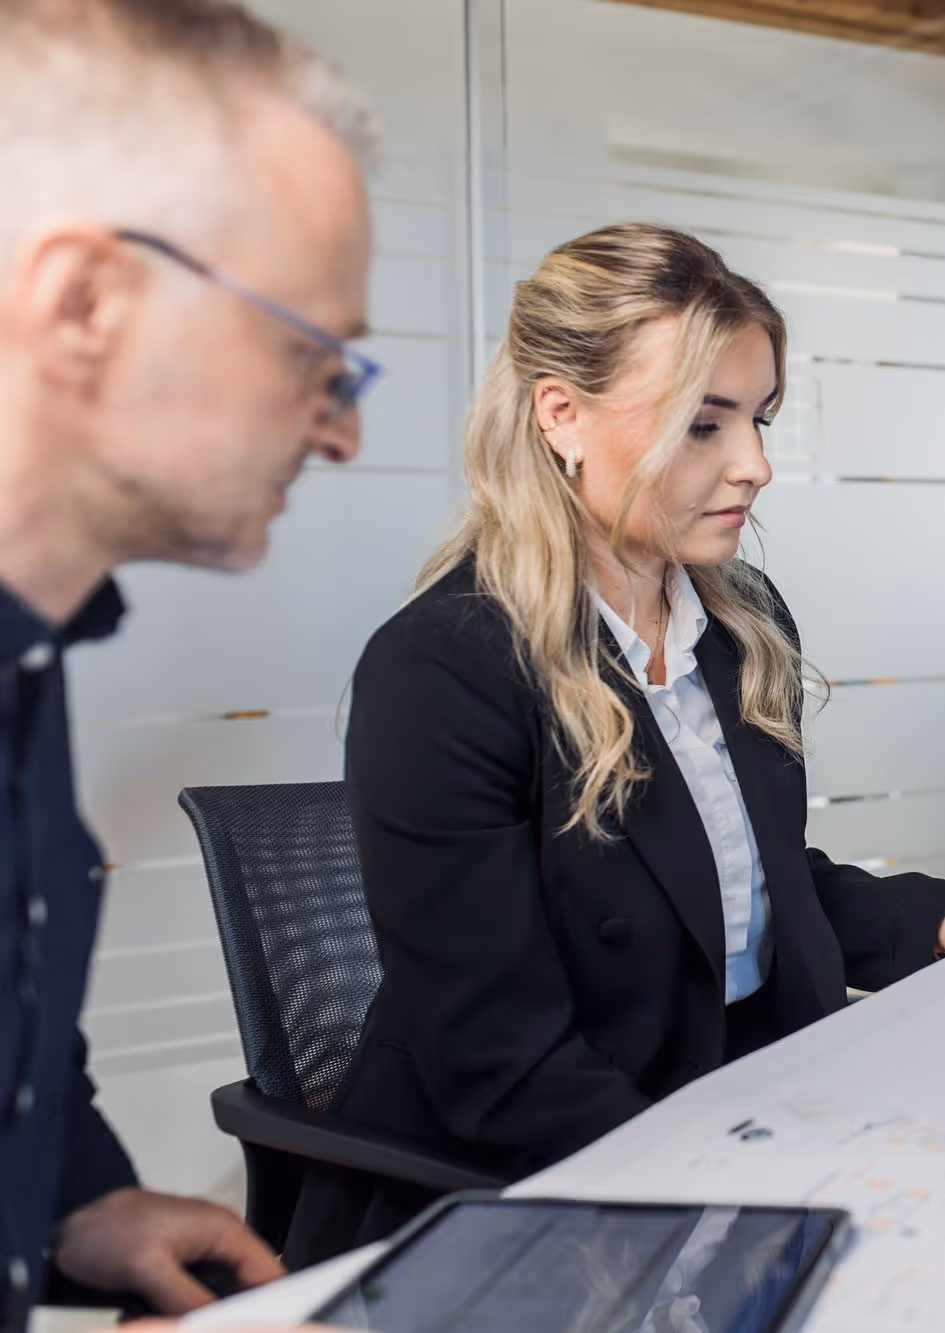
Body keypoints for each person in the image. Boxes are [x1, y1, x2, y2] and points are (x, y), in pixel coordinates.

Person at [286, 222, 945, 1264]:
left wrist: (928, 916)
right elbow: (499, 1064)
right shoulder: (442, 669)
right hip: (529, 1179)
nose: (756, 466)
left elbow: (735, 893)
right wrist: (743, 1179)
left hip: (727, 1099)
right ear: (561, 414)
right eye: (703, 425)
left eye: (759, 419)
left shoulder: (737, 622)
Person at [0, 0, 376, 1324]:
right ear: (86, 302)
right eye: (308, 353)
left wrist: (73, 1205)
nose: (340, 434)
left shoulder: (28, 657)